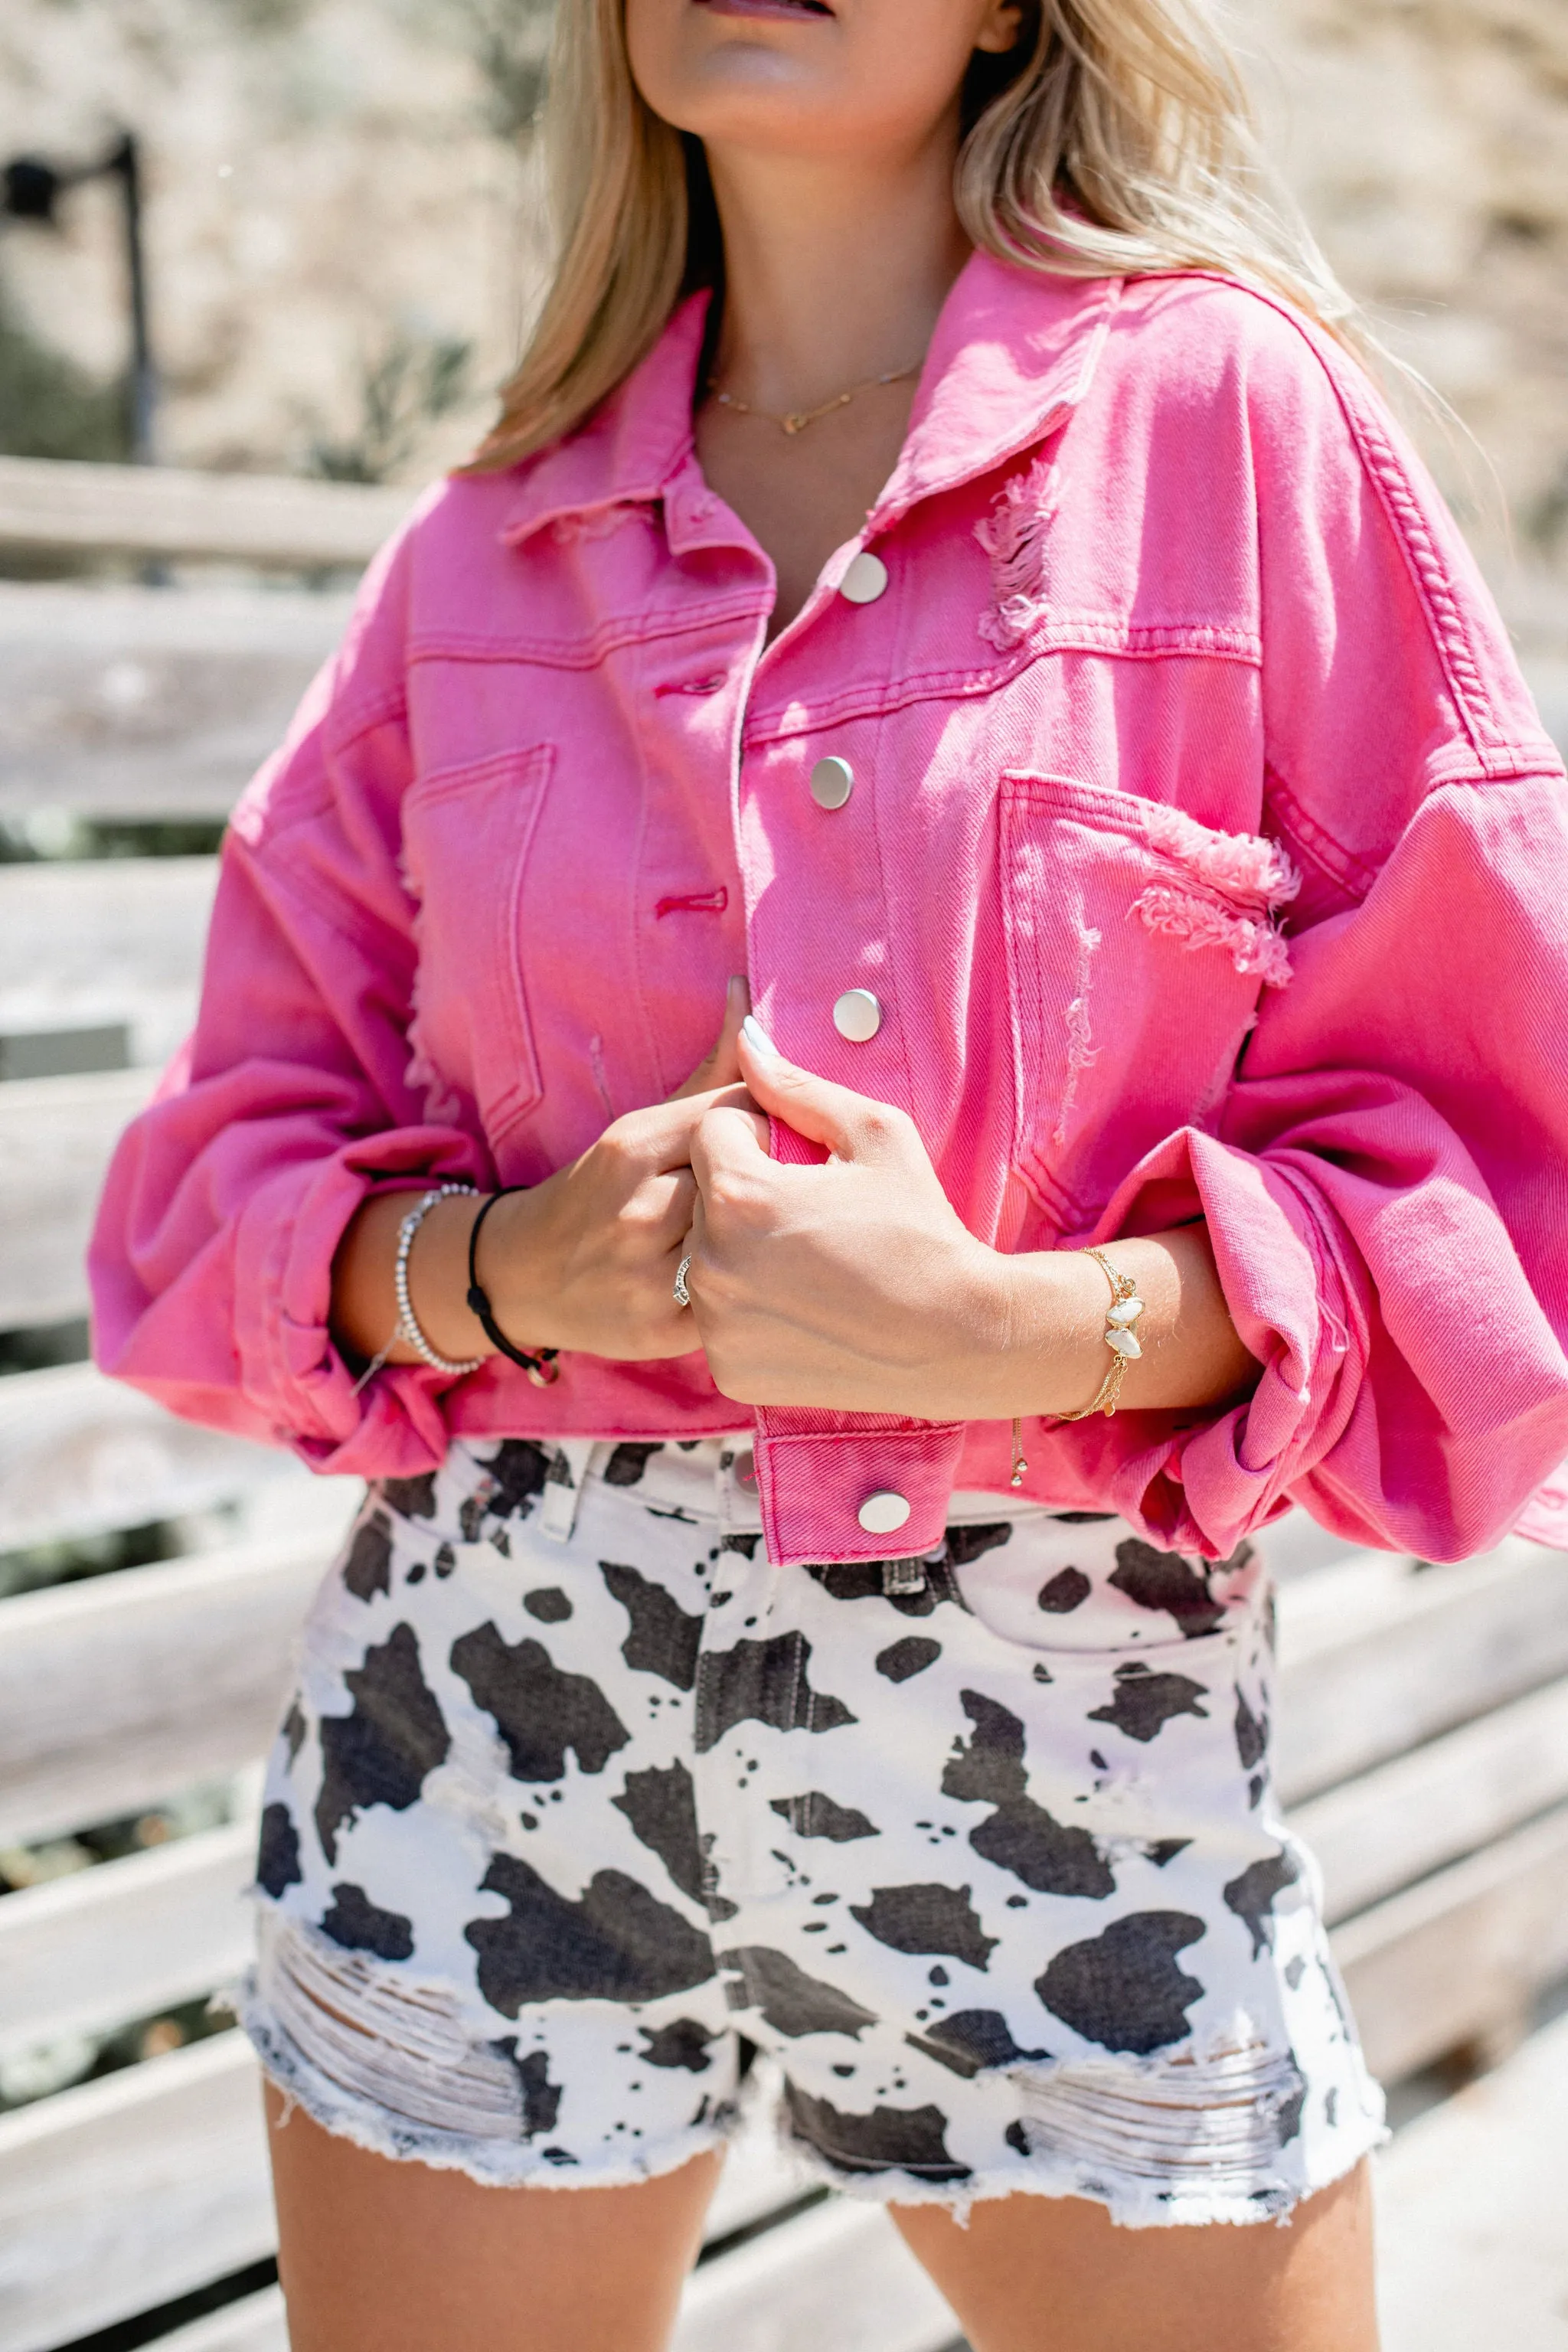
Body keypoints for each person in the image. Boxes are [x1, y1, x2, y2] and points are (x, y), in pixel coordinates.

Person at [90, 0, 1568, 2345]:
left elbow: (1505, 1191)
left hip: (1055, 1754)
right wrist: (507, 1267)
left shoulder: (1226, 420)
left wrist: (1009, 1331)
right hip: (486, 1733)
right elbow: (206, 1207)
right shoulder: (486, 544)